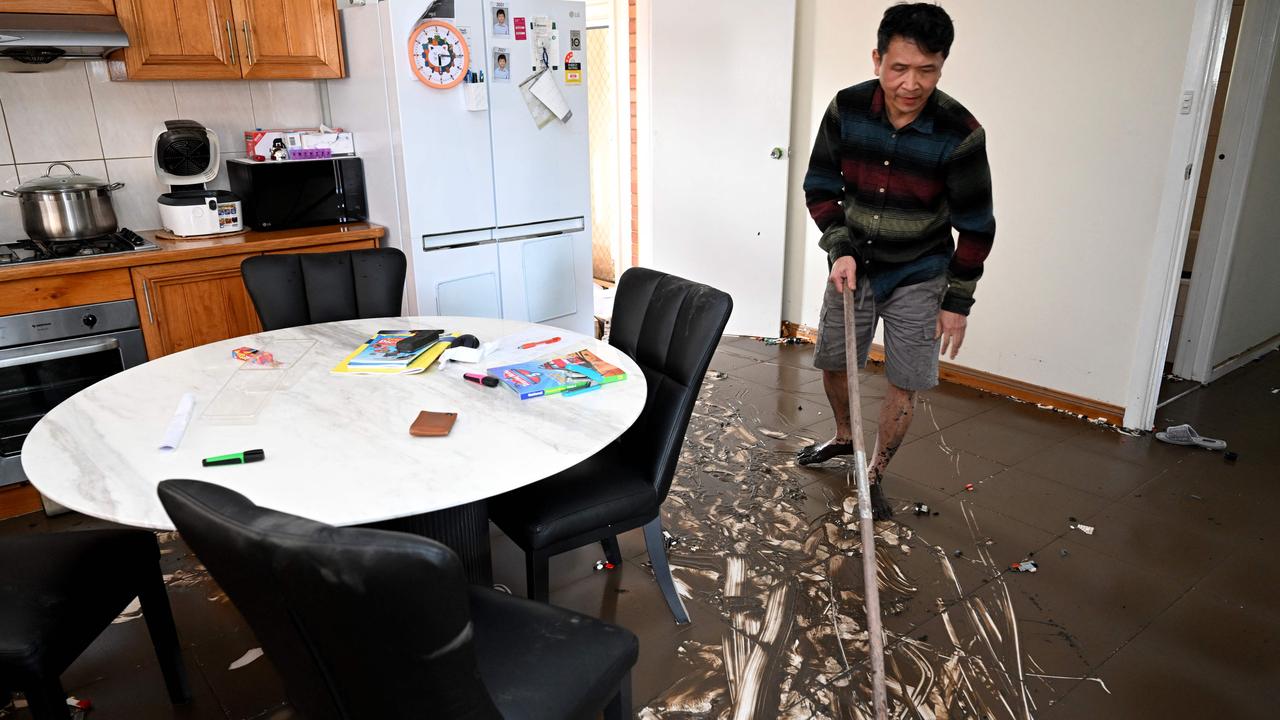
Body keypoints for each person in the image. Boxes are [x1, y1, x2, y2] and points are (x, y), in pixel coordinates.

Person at [798, 3, 995, 520]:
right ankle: (845, 437)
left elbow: (976, 225)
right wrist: (839, 246)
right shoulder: (846, 109)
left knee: (905, 379)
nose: (912, 84)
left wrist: (958, 301)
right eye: (899, 68)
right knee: (836, 361)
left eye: (927, 71)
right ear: (878, 59)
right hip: (854, 262)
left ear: (942, 66)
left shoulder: (960, 132)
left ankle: (875, 471)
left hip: (920, 271)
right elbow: (820, 185)